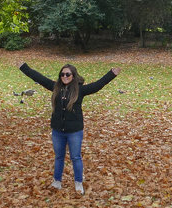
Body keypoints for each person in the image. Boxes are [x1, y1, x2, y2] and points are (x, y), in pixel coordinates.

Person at [19, 61, 119, 194]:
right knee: (59, 157)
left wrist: (111, 74)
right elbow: (39, 78)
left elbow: (97, 86)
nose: (64, 76)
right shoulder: (55, 87)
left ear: (73, 76)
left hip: (74, 131)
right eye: (62, 74)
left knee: (75, 157)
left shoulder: (80, 90)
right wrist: (23, 67)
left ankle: (78, 183)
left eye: (68, 74)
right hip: (58, 130)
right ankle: (57, 182)